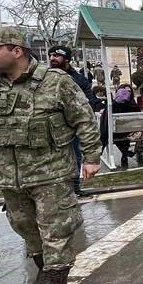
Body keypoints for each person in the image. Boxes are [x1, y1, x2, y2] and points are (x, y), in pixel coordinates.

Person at [0, 26, 101, 284]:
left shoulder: (55, 81)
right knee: (23, 225)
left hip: (51, 172)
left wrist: (91, 157)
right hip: (8, 175)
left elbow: (84, 119)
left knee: (55, 229)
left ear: (16, 50)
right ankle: (43, 270)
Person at [48, 45, 100, 197]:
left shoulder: (78, 79)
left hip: (72, 128)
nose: (52, 58)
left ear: (67, 59)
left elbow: (90, 100)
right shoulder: (44, 77)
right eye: (51, 55)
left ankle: (74, 189)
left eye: (56, 56)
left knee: (75, 158)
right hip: (51, 129)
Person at [101, 83, 139, 167]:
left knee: (119, 133)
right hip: (124, 132)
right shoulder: (131, 104)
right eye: (124, 91)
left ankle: (125, 154)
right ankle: (125, 154)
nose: (127, 93)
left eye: (128, 91)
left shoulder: (113, 105)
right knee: (123, 134)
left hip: (121, 132)